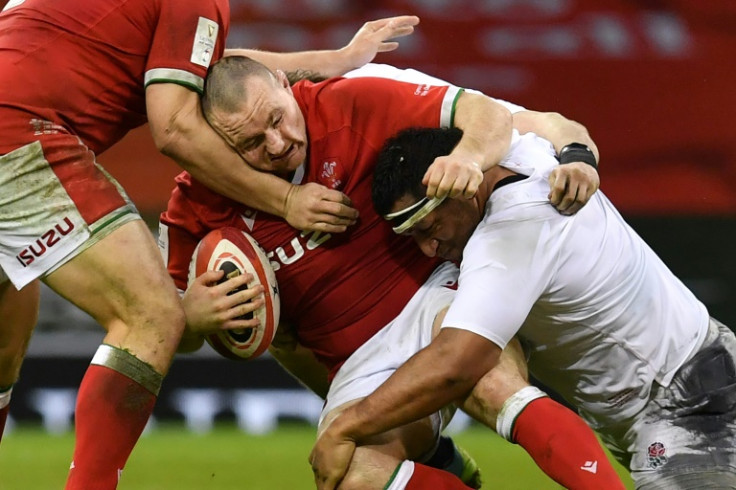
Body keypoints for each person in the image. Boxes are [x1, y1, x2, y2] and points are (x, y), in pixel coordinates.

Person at [0, 0, 420, 486]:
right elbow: (175, 127)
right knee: (151, 315)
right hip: (19, 134)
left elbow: (205, 71)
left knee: (4, 341)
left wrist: (334, 60)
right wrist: (285, 199)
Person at [161, 57, 624, 489]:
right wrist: (192, 318)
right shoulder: (192, 208)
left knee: (495, 385)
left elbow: (488, 114)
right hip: (355, 363)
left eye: (277, 120)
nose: (279, 145)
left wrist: (470, 158)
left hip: (438, 294)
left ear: (286, 85)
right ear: (215, 145)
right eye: (251, 143)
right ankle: (442, 462)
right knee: (348, 474)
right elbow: (167, 331)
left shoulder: (349, 101)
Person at [310, 125, 736, 490]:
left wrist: (345, 429)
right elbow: (558, 120)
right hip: (686, 373)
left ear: (462, 185)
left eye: (430, 226)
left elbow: (456, 364)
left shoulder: (509, 235)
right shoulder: (519, 148)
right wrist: (579, 154)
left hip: (690, 406)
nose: (429, 248)